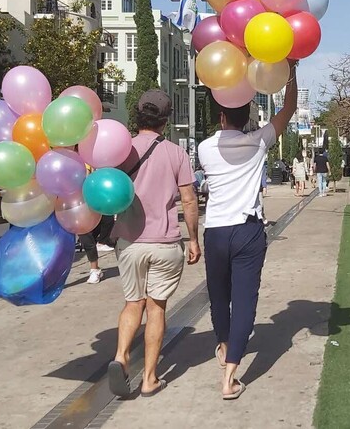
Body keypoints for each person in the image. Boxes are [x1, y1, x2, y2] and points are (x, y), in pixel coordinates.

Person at [199, 62, 298, 400]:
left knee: (218, 296)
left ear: (221, 117)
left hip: (215, 231)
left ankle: (224, 345)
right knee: (244, 301)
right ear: (246, 116)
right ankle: (230, 378)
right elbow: (288, 110)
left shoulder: (204, 149)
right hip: (248, 230)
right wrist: (292, 72)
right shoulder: (259, 142)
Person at [107, 89, 201, 398]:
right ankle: (149, 378)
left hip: (130, 242)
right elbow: (188, 200)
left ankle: (121, 355)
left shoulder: (121, 150)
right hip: (165, 243)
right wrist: (193, 239)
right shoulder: (176, 153)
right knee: (156, 308)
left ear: (137, 116)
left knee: (134, 302)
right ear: (166, 120)